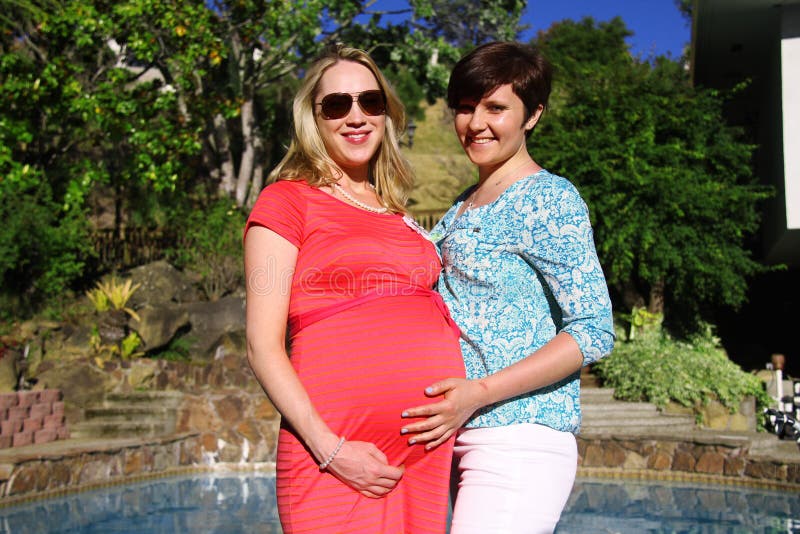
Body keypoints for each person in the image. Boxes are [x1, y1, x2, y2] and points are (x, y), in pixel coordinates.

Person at [243, 44, 465, 533]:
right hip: (334, 460)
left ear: (386, 112)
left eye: (371, 101)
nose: (356, 116)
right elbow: (262, 345)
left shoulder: (400, 214)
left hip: (422, 455)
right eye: (337, 105)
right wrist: (332, 450)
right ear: (314, 119)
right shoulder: (287, 201)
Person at [400, 41, 616, 533]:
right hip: (464, 434)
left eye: (496, 107)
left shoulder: (549, 198)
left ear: (532, 115)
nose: (476, 122)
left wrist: (479, 392)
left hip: (521, 436)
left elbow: (593, 329)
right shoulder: (462, 205)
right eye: (465, 107)